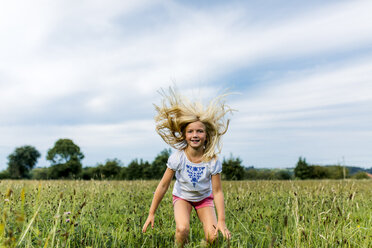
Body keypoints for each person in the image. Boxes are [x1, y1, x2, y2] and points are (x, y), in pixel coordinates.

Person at [142, 87, 233, 247]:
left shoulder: (212, 161)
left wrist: (222, 221)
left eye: (199, 131)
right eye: (190, 131)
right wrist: (151, 213)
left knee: (213, 237)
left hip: (204, 199)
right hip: (182, 197)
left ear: (206, 136)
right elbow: (163, 185)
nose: (195, 135)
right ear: (185, 135)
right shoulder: (177, 158)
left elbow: (217, 191)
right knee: (182, 229)